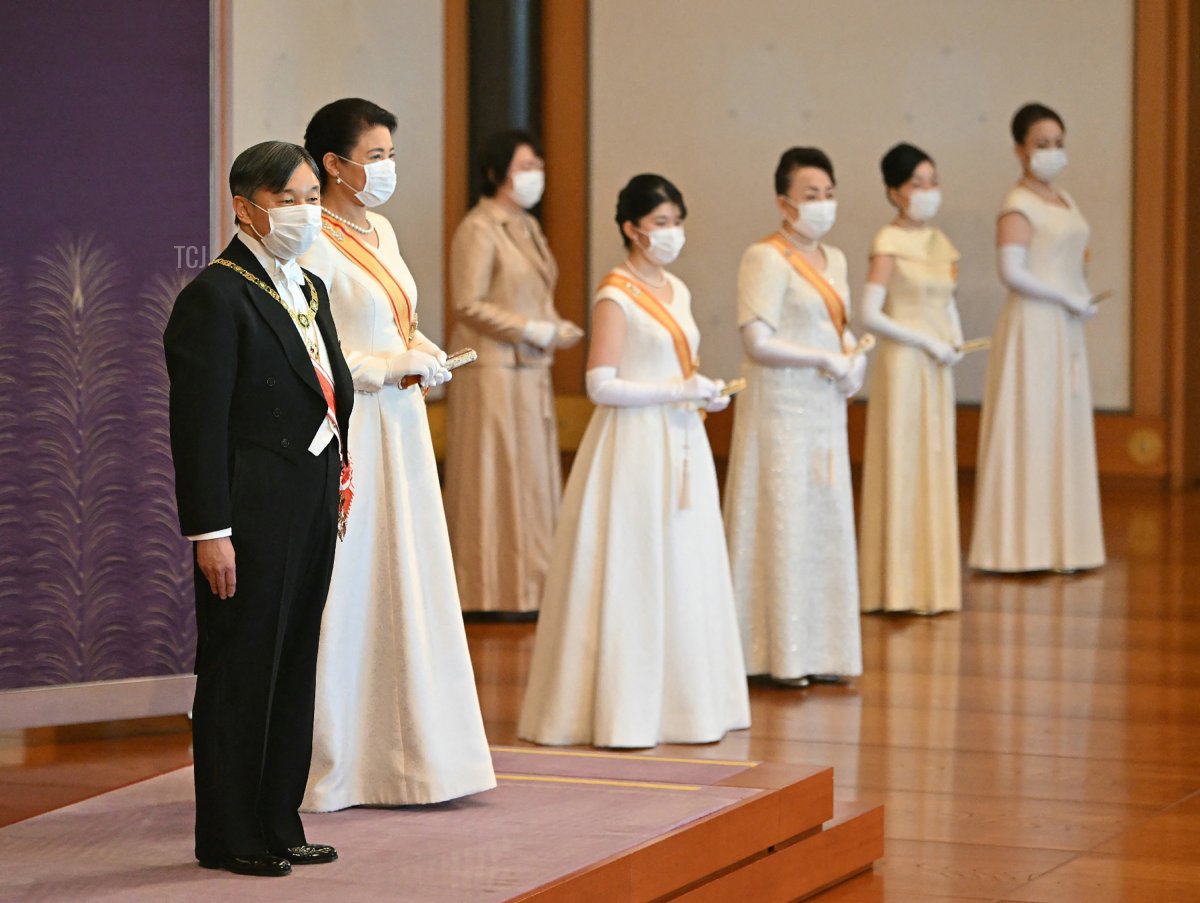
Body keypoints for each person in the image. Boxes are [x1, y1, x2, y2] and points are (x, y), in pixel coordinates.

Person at [297, 98, 495, 810]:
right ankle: (347, 757)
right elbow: (314, 349)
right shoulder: (313, 238)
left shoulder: (378, 227)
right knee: (358, 581)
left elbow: (398, 316)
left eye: (389, 153)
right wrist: (387, 364)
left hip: (404, 422)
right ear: (334, 164)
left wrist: (427, 351)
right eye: (375, 155)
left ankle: (422, 750)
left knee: (410, 573)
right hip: (358, 423)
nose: (387, 168)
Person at [164, 140, 352, 877]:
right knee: (241, 666)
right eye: (290, 200)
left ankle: (279, 817)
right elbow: (198, 425)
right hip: (248, 512)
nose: (306, 212)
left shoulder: (308, 287)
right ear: (246, 207)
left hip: (309, 501)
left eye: (313, 197)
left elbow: (330, 389)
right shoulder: (216, 293)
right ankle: (230, 831)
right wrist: (210, 529)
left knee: (293, 659)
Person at [517, 174, 750, 747]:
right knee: (637, 567)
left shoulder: (678, 289)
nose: (672, 234)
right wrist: (675, 392)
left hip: (680, 438)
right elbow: (601, 383)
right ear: (631, 228)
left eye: (677, 221)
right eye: (661, 223)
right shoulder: (616, 293)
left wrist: (701, 387)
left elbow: (678, 366)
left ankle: (688, 706)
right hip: (634, 445)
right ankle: (625, 711)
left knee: (684, 565)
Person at [722, 147, 865, 686]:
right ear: (785, 203)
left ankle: (822, 651)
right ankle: (772, 654)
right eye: (811, 196)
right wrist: (825, 359)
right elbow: (757, 339)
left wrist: (853, 357)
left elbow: (839, 327)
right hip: (781, 406)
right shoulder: (765, 257)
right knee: (782, 516)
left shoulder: (838, 259)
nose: (823, 205)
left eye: (829, 194)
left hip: (825, 409)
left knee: (822, 517)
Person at [443, 131, 583, 614]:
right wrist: (534, 328)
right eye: (525, 166)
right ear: (495, 172)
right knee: (494, 479)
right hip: (491, 370)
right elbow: (467, 304)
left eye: (537, 165)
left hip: (529, 367)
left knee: (531, 480)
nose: (534, 175)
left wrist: (550, 327)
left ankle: (532, 589)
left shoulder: (527, 227)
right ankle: (485, 591)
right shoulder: (480, 227)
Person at [969, 103, 1105, 573]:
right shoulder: (1018, 203)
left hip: (1064, 325)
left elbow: (1069, 259)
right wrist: (1065, 296)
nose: (1052, 152)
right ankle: (1021, 547)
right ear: (1020, 150)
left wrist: (1080, 296)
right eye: (1042, 144)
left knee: (1061, 423)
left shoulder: (1064, 200)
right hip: (1033, 325)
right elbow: (1011, 271)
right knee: (1032, 423)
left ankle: (1066, 544)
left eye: (1058, 143)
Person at [858, 143, 964, 614]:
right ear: (895, 192)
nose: (927, 192)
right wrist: (923, 340)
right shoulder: (888, 241)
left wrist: (955, 338)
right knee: (904, 459)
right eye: (917, 184)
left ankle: (933, 586)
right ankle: (896, 587)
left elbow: (947, 299)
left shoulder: (939, 241)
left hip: (937, 363)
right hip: (904, 362)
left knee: (935, 459)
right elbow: (869, 314)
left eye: (933, 182)